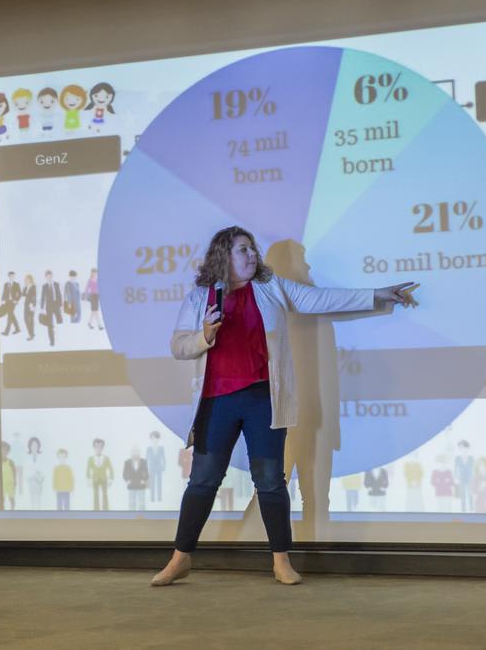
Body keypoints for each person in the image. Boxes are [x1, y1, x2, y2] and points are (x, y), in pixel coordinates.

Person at [151, 225, 415, 586]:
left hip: (263, 401)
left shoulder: (270, 286)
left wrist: (378, 295)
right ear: (223, 255)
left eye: (252, 249)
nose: (252, 255)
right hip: (216, 402)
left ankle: (281, 561)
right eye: (243, 250)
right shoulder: (201, 298)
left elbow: (319, 300)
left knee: (271, 481)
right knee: (202, 481)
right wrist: (204, 335)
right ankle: (180, 559)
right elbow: (179, 346)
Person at [40, 270, 62, 346]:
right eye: (47, 277)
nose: (49, 278)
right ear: (45, 277)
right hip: (48, 307)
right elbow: (42, 297)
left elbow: (59, 295)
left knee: (60, 321)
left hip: (56, 305)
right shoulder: (44, 286)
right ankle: (52, 341)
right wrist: (42, 308)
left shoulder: (56, 284)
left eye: (50, 276)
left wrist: (61, 305)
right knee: (49, 324)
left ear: (52, 276)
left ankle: (61, 337)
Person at [146, 431, 166, 503]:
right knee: (152, 483)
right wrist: (147, 468)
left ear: (158, 439)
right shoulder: (148, 449)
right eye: (153, 438)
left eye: (156, 438)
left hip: (159, 468)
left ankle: (159, 498)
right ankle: (152, 498)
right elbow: (147, 459)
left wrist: (163, 467)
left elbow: (163, 459)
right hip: (151, 468)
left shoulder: (161, 448)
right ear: (151, 439)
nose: (155, 440)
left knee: (159, 483)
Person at [0, 271, 21, 336]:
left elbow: (20, 293)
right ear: (8, 276)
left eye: (13, 276)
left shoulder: (17, 284)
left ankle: (6, 332)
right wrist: (2, 300)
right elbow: (4, 292)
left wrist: (16, 300)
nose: (12, 277)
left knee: (10, 316)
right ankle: (17, 329)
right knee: (11, 315)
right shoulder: (6, 284)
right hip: (7, 302)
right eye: (11, 276)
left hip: (12, 302)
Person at [22, 273, 37, 341]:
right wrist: (25, 287)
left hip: (31, 305)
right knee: (26, 319)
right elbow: (23, 294)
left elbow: (34, 296)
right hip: (26, 305)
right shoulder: (26, 287)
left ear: (31, 280)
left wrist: (32, 305)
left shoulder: (33, 287)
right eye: (26, 280)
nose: (27, 281)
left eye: (28, 279)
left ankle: (31, 335)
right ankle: (32, 333)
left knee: (30, 320)